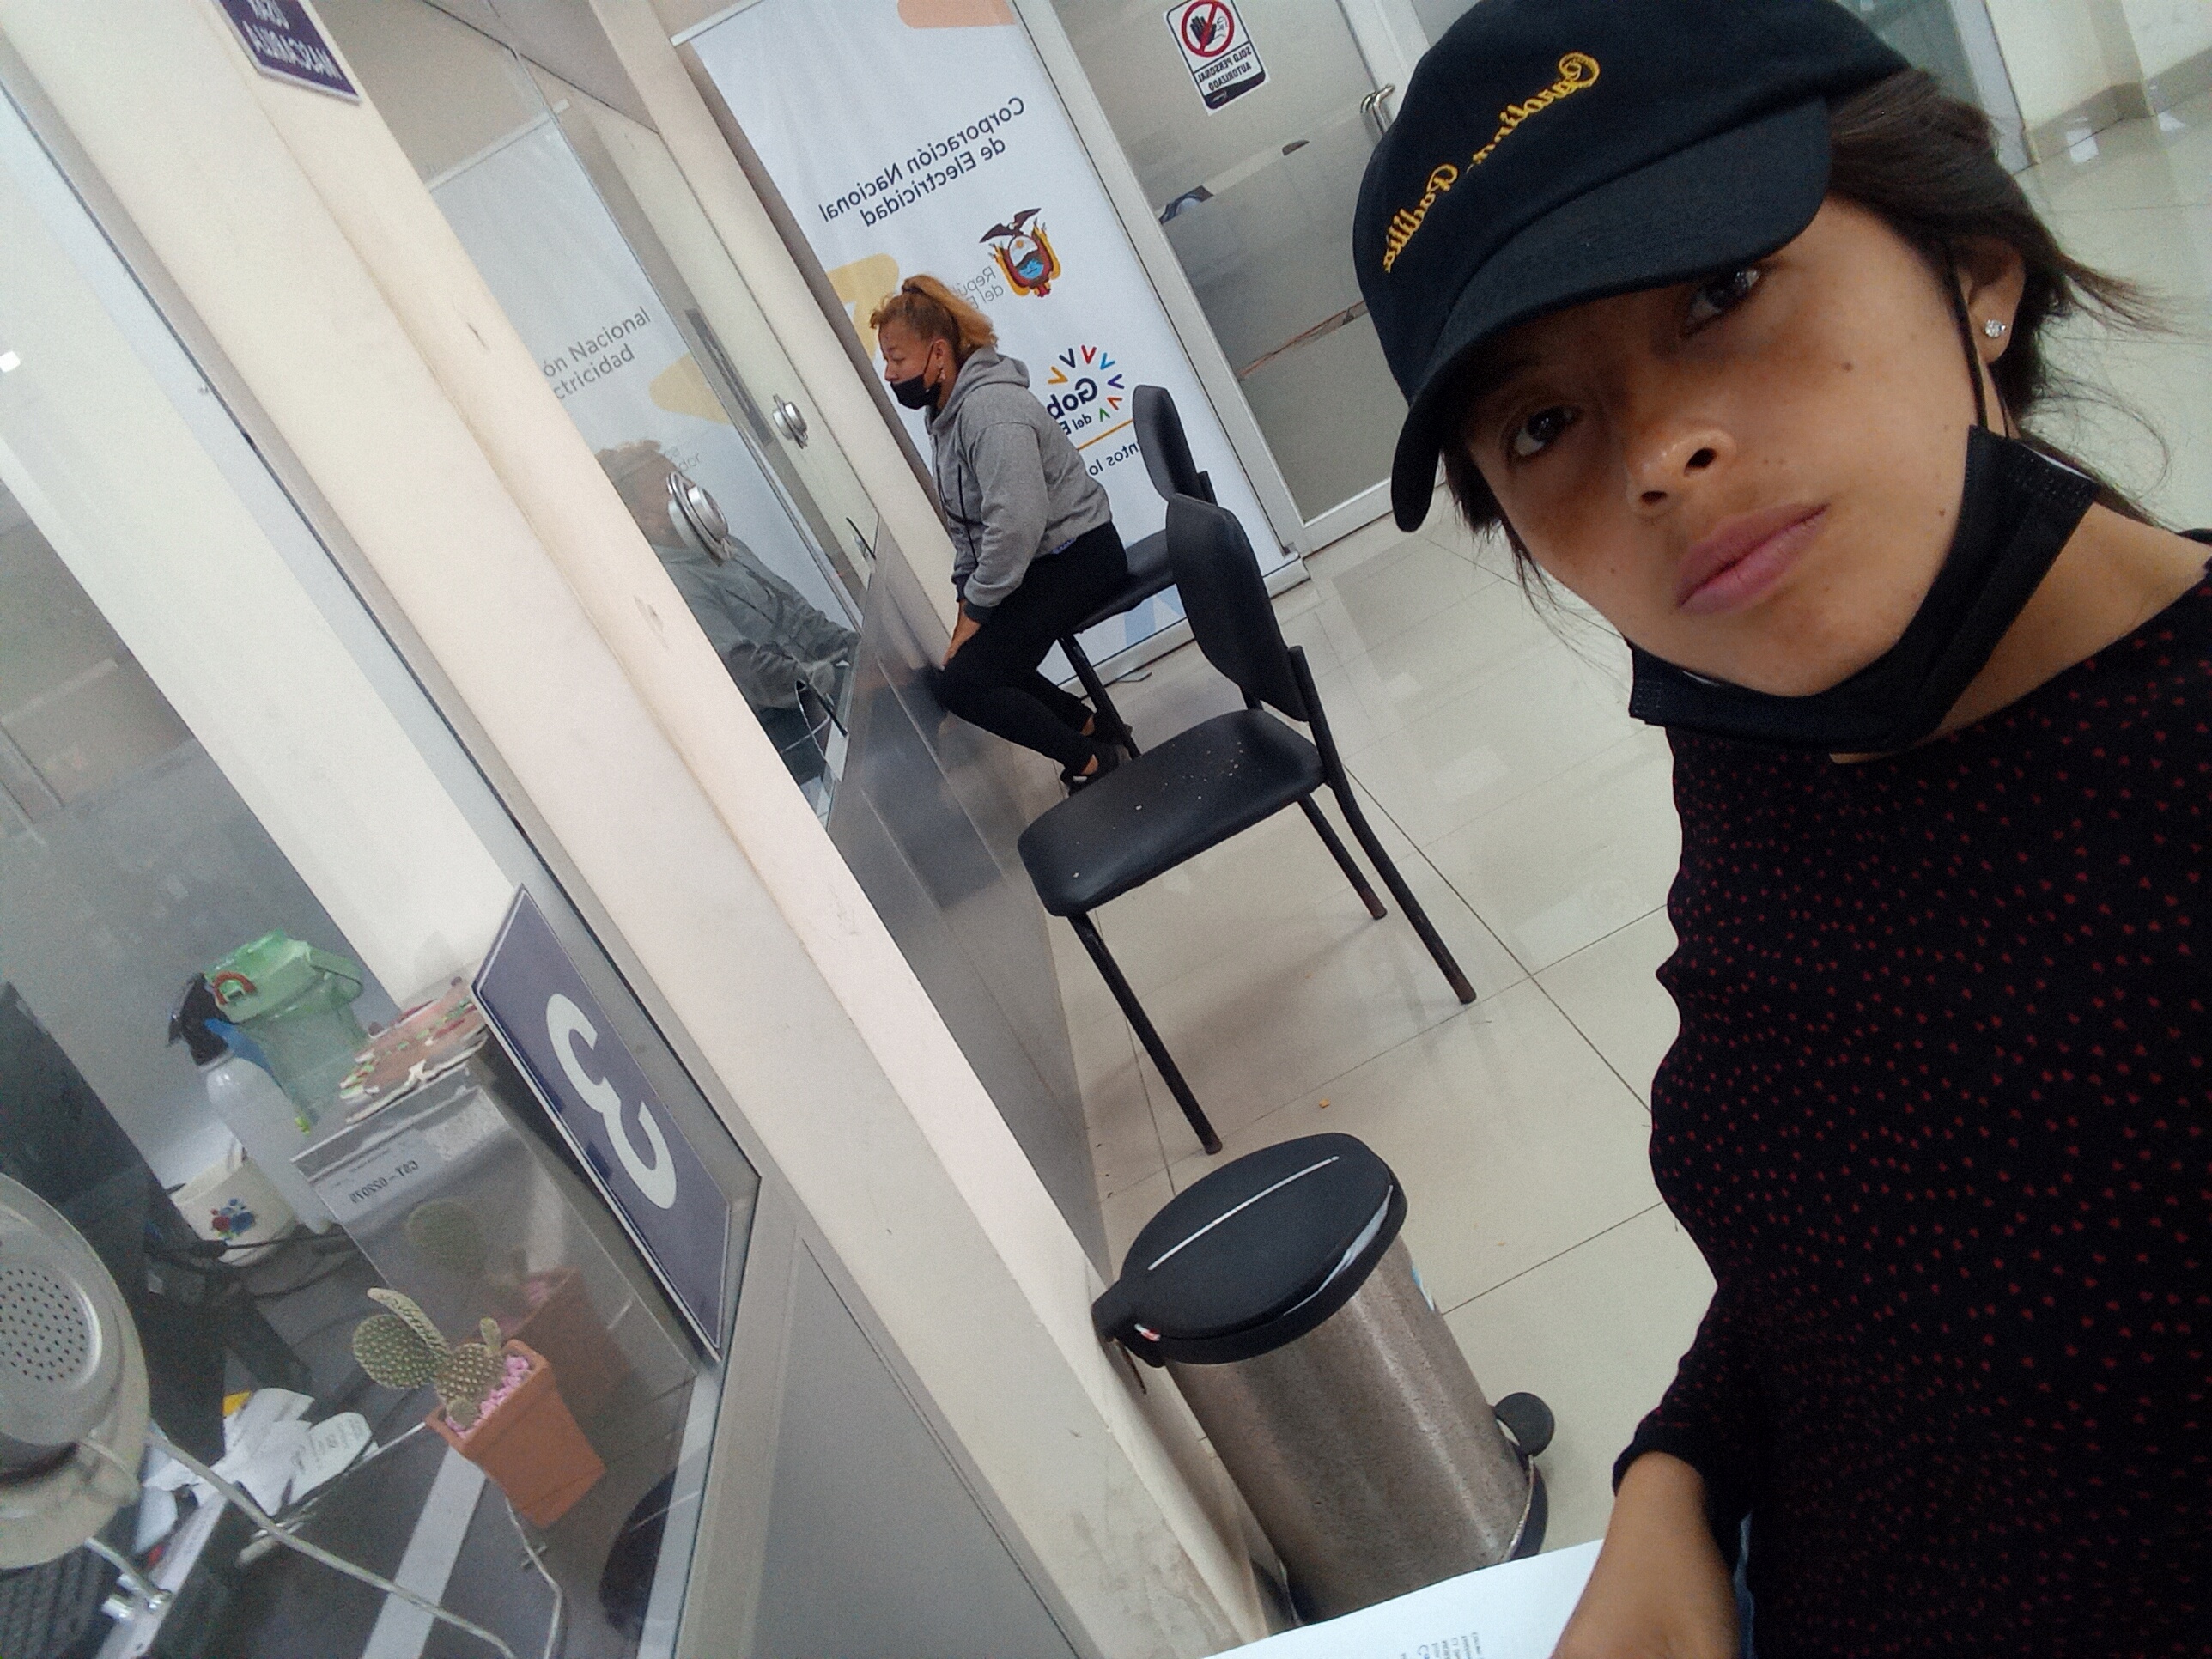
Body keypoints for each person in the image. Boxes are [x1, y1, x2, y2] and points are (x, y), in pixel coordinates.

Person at [1354, 3, 2209, 1655]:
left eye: (1722, 290)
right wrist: (1675, 1481)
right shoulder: (1767, 740)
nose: (1659, 459)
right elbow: (1848, 1252)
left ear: (1973, 265)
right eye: (1542, 424)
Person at [871, 276, 1129, 787]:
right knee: (970, 663)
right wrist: (967, 604)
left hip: (1081, 557)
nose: (889, 372)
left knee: (966, 684)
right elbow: (970, 528)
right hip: (1044, 559)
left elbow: (1016, 524)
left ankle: (1093, 763)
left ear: (938, 353)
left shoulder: (990, 413)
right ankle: (1092, 727)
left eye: (897, 359)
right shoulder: (947, 414)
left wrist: (978, 609)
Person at [596, 440, 856, 787]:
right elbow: (747, 671)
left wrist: (858, 649)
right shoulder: (674, 584)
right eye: (667, 489)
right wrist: (839, 683)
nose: (690, 491)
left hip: (829, 697)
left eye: (681, 478)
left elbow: (800, 616)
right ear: (640, 518)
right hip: (796, 733)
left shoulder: (725, 547)